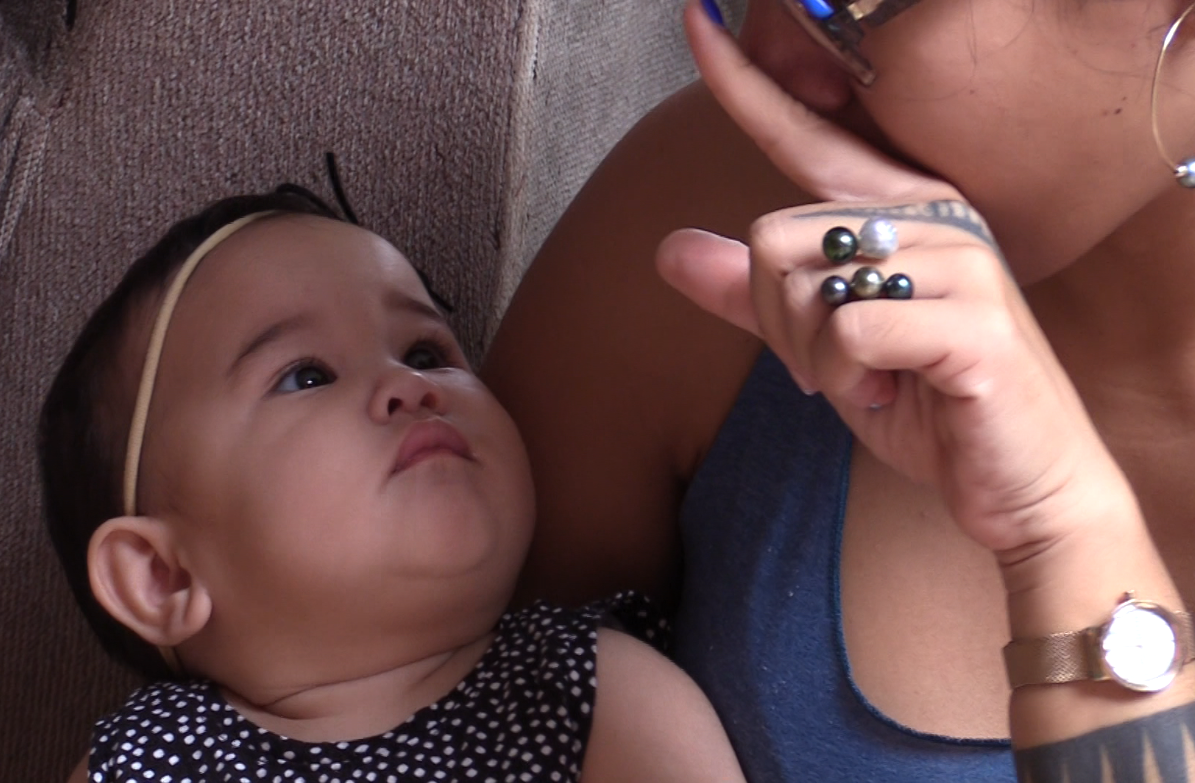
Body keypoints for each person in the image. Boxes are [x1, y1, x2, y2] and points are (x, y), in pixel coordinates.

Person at [481, 0, 1195, 780]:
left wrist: (1069, 535)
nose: (761, 54)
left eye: (850, 6)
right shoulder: (731, 222)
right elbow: (443, 717)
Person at [36, 186, 743, 783]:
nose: (407, 385)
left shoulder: (589, 688)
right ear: (161, 575)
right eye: (306, 376)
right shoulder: (149, 760)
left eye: (426, 352)